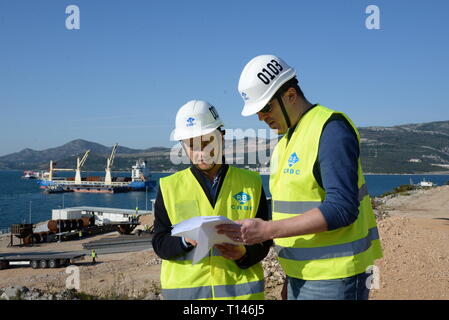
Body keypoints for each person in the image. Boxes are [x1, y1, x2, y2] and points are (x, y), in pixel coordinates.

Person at [217, 55, 383, 300]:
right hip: (300, 274)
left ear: (291, 95)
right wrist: (290, 276)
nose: (261, 117)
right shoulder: (285, 142)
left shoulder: (330, 129)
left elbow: (342, 209)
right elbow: (296, 209)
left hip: (335, 276)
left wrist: (268, 230)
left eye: (265, 108)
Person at [152, 100, 272, 300]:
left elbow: (264, 240)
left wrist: (243, 253)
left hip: (241, 297)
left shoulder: (251, 182)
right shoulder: (168, 187)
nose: (201, 153)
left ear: (222, 137)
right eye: (191, 146)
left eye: (207, 143)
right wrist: (184, 241)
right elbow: (159, 242)